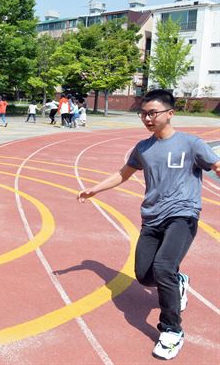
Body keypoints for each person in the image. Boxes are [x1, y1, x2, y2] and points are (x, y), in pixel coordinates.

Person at [77, 89, 220, 361]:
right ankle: (178, 281)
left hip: (183, 215)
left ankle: (171, 330)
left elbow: (216, 164)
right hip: (152, 218)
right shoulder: (143, 148)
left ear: (170, 114)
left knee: (163, 266)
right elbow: (123, 174)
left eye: (152, 113)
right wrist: (94, 189)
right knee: (144, 275)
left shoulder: (191, 144)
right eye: (143, 113)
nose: (147, 118)